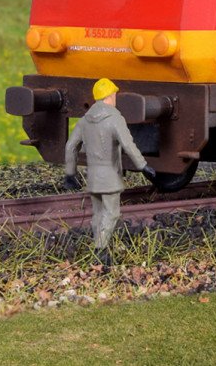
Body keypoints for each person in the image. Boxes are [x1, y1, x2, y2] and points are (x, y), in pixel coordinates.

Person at [63, 77, 160, 264]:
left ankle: (98, 246)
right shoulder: (115, 118)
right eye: (114, 94)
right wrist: (143, 166)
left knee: (98, 214)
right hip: (109, 177)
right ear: (109, 96)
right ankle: (100, 250)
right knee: (112, 213)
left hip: (92, 177)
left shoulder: (84, 120)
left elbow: (70, 146)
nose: (115, 97)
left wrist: (70, 174)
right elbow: (128, 145)